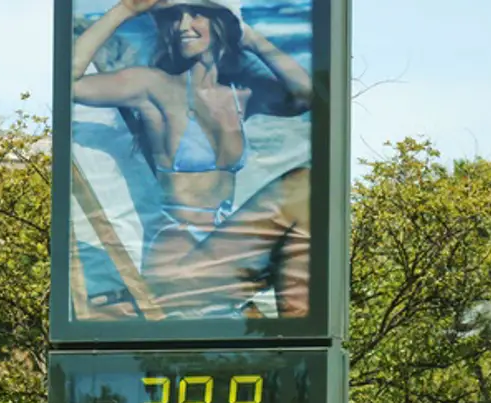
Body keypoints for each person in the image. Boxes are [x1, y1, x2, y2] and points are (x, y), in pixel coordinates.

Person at [72, 0, 313, 318]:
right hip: (178, 263)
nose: (183, 25)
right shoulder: (154, 86)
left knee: (273, 342)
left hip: (225, 253)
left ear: (220, 22)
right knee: (303, 185)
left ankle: (302, 348)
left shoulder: (241, 97)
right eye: (174, 17)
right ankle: (297, 341)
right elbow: (69, 84)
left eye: (196, 13)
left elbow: (306, 94)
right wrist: (127, 9)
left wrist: (250, 37)